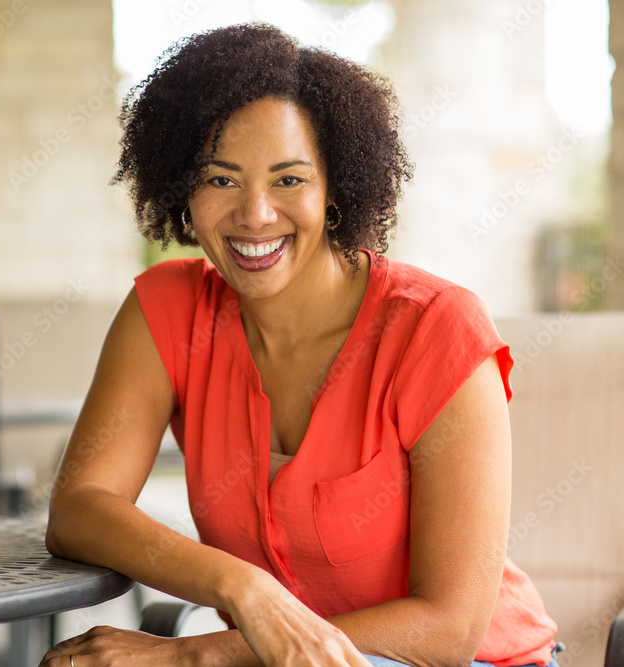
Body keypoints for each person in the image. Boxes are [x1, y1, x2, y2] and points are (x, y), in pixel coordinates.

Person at [40, 22, 561, 667]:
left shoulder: (436, 330)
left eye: (289, 180)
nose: (255, 213)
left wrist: (194, 654)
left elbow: (449, 630)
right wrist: (245, 589)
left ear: (336, 187)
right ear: (181, 190)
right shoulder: (167, 311)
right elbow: (81, 510)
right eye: (221, 180)